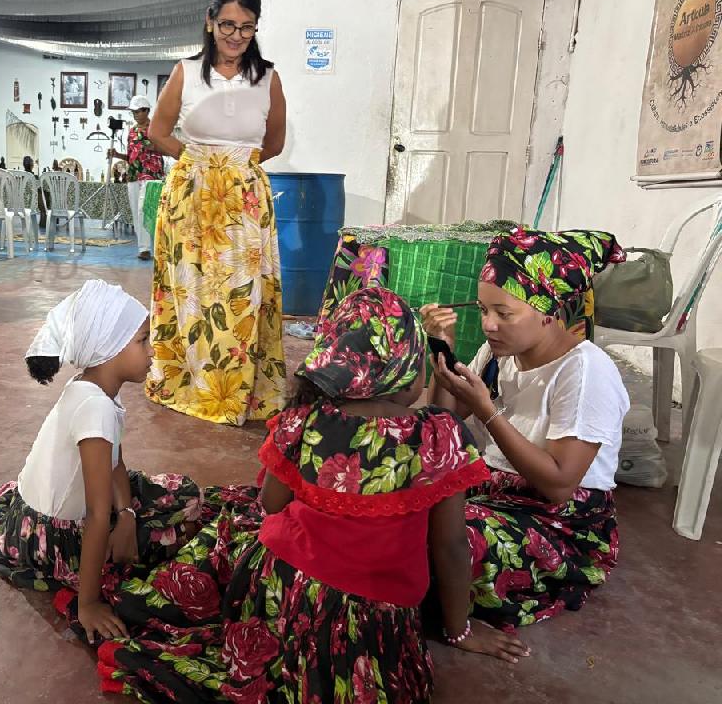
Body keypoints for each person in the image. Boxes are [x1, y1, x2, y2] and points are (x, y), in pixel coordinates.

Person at [91, 287, 529, 703]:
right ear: (401, 367)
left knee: (239, 528)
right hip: (372, 622)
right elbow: (451, 547)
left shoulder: (306, 419)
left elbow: (270, 505)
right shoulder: (437, 436)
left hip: (280, 592)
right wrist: (459, 629)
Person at [0, 280, 203, 643]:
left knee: (174, 494)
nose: (152, 350)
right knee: (184, 521)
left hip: (40, 515)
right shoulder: (95, 408)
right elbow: (97, 514)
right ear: (109, 349)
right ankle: (88, 583)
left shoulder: (93, 387)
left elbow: (115, 461)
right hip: (54, 539)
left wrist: (127, 515)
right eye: (142, 340)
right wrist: (88, 604)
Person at [423, 227, 629, 629]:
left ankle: (452, 619)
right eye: (483, 310)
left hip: (560, 521)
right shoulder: (500, 353)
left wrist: (487, 411)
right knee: (401, 509)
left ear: (549, 310)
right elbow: (442, 421)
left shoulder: (585, 372)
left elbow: (559, 485)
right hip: (494, 490)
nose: (489, 325)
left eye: (504, 314)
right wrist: (443, 349)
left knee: (445, 541)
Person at [145, 0, 287, 426]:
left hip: (243, 203)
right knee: (191, 291)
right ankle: (191, 381)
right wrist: (196, 161)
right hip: (190, 200)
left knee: (242, 294)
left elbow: (274, 142)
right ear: (209, 22)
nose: (236, 36)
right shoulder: (186, 72)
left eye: (246, 27)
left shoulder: (267, 78)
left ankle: (236, 389)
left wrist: (235, 168)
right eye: (227, 25)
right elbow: (157, 131)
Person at [108, 95, 164, 261]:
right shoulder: (132, 131)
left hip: (151, 174)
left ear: (146, 111)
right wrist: (117, 154)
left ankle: (154, 247)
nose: (135, 115)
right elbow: (131, 156)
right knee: (135, 212)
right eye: (133, 112)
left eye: (137, 111)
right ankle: (143, 248)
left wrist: (155, 146)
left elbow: (165, 149)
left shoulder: (156, 128)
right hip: (133, 175)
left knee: (143, 210)